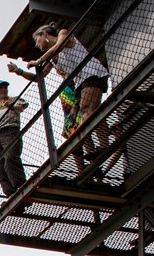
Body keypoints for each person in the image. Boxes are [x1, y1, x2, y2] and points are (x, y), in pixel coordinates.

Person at [10, 23, 112, 156]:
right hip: (81, 82)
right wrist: (19, 71)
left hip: (92, 73)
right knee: (91, 110)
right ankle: (102, 146)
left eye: (37, 40)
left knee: (86, 108)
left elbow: (59, 45)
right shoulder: (52, 58)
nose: (36, 45)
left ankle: (85, 142)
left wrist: (39, 60)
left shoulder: (63, 34)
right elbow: (38, 78)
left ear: (44, 34)